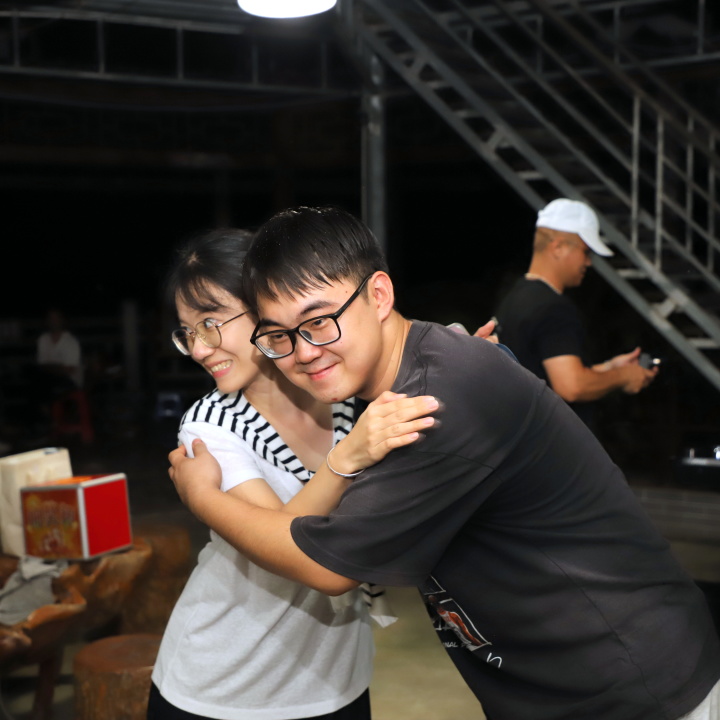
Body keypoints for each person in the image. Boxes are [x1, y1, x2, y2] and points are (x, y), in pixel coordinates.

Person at [169, 206, 720, 720]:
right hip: (571, 679)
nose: (305, 350)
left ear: (378, 294)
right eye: (281, 335)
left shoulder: (434, 404)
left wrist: (201, 497)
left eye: (318, 321)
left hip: (628, 682)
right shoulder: (405, 382)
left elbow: (324, 568)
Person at [149, 227, 440, 720]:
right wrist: (347, 457)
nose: (199, 349)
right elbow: (288, 548)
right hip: (225, 689)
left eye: (211, 323)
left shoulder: (339, 391)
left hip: (338, 679)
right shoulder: (210, 427)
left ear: (266, 308)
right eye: (188, 332)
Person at [495, 198, 658, 427]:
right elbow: (571, 386)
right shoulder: (553, 308)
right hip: (550, 443)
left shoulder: (517, 296)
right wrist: (624, 376)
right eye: (586, 251)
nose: (589, 262)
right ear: (558, 247)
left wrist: (608, 368)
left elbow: (543, 371)